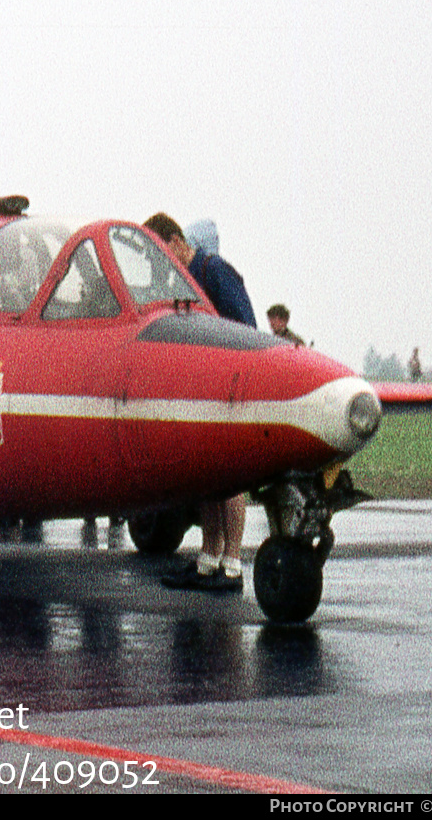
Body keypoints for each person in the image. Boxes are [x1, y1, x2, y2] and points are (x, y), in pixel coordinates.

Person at [143, 213, 255, 593]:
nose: (161, 262)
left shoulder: (216, 271)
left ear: (176, 241)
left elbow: (246, 330)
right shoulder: (185, 278)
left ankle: (233, 564)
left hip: (231, 388)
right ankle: (209, 560)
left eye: (161, 252)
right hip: (202, 388)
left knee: (232, 478)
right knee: (206, 475)